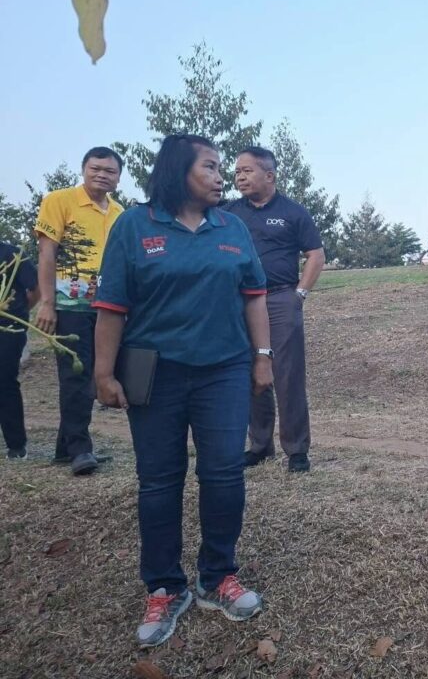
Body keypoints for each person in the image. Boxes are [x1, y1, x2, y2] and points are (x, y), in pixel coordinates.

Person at [92, 134, 273, 647]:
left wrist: (262, 356)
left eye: (220, 168)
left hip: (224, 371)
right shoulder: (134, 226)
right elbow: (112, 306)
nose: (221, 177)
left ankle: (218, 576)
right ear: (178, 171)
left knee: (223, 473)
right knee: (158, 481)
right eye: (210, 167)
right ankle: (165, 586)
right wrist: (104, 373)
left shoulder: (231, 227)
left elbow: (254, 296)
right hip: (155, 374)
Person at [227, 146, 325, 473]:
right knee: (251, 371)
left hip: (280, 299)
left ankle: (296, 450)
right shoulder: (229, 213)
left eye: (247, 171)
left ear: (269, 175)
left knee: (287, 375)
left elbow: (315, 255)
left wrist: (299, 294)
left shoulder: (293, 212)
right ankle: (259, 445)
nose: (240, 177)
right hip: (241, 301)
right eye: (237, 172)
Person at [34, 146, 124, 475]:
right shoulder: (59, 201)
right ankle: (80, 449)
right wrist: (47, 302)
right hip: (69, 304)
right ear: (84, 169)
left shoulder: (119, 212)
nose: (102, 175)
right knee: (76, 373)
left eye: (109, 171)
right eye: (95, 168)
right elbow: (47, 253)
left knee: (96, 371)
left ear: (118, 177)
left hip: (107, 306)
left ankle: (66, 446)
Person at [1, 242, 40, 460]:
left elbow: (35, 289)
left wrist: (20, 313)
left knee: (4, 381)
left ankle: (16, 445)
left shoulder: (13, 254)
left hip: (9, 328)